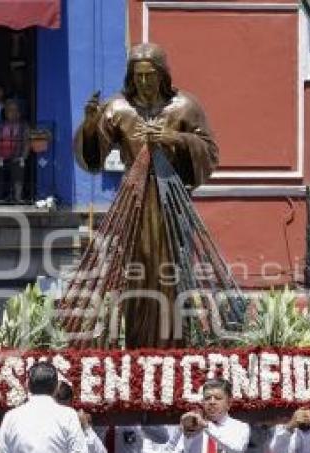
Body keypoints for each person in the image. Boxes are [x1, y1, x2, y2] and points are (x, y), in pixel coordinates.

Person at [70, 42, 221, 348]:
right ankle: (138, 345)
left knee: (170, 271)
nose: (144, 82)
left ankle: (172, 345)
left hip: (171, 201)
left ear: (163, 75)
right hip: (134, 200)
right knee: (135, 271)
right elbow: (93, 159)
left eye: (150, 76)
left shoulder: (185, 107)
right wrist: (89, 125)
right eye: (138, 76)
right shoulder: (117, 109)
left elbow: (210, 152)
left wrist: (175, 138)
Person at [0, 99, 29, 203]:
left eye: (15, 110)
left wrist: (23, 157)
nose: (13, 113)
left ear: (19, 113)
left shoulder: (24, 126)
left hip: (15, 157)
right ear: (5, 113)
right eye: (10, 110)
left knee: (19, 165)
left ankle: (17, 197)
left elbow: (27, 143)